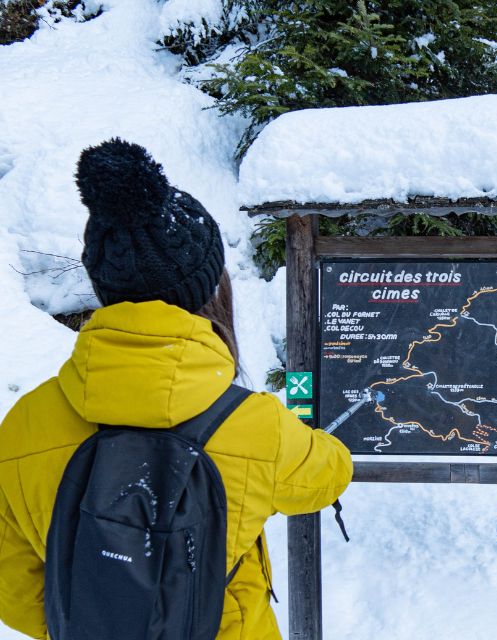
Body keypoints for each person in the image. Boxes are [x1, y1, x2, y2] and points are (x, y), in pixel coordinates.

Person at [0, 139, 353, 639]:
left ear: (103, 286)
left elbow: (15, 591)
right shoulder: (256, 425)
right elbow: (329, 476)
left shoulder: (24, 425)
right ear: (210, 292)